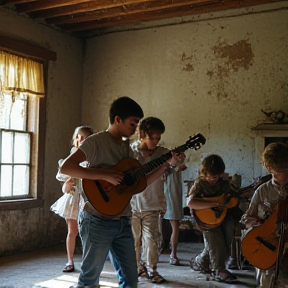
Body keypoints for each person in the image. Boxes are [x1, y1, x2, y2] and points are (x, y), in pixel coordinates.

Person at [60, 97, 177, 288]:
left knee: (131, 280)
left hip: (123, 221)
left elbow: (141, 183)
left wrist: (164, 165)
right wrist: (104, 174)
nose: (135, 128)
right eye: (133, 123)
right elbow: (67, 167)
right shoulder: (95, 142)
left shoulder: (127, 149)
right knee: (90, 279)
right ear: (117, 119)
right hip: (96, 219)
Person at [130, 117, 184, 284]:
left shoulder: (163, 153)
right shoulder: (130, 150)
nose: (155, 141)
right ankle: (136, 270)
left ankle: (152, 269)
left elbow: (175, 166)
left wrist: (178, 160)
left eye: (158, 138)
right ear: (142, 135)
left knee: (152, 239)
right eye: (152, 137)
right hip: (130, 204)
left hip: (153, 204)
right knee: (133, 240)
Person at [241, 142, 288, 288]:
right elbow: (246, 218)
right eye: (272, 171)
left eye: (280, 171)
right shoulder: (262, 191)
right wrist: (258, 224)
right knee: (266, 283)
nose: (275, 175)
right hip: (267, 248)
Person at [187, 154, 238, 283]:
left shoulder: (224, 183)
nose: (212, 179)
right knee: (215, 239)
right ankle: (219, 270)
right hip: (205, 219)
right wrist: (212, 204)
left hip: (223, 216)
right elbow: (190, 202)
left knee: (229, 232)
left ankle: (200, 261)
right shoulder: (200, 184)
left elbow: (232, 199)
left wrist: (232, 196)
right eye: (209, 177)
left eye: (215, 177)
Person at [50, 125, 94, 272]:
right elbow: (65, 188)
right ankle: (69, 261)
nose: (80, 140)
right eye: (78, 137)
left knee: (88, 232)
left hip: (89, 198)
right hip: (73, 197)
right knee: (72, 230)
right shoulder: (69, 160)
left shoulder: (93, 158)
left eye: (84, 137)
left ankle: (88, 262)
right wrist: (67, 185)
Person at [163, 162, 187, 266]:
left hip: (174, 197)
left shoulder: (177, 166)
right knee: (174, 226)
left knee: (175, 226)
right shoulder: (167, 166)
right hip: (169, 197)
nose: (181, 157)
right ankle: (173, 254)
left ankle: (172, 253)